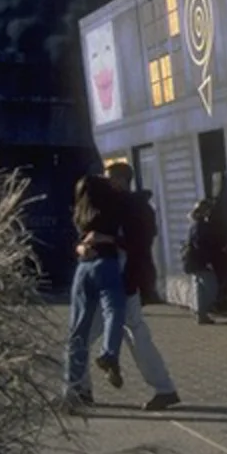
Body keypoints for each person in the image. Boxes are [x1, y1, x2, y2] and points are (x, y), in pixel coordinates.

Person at [80, 163, 181, 410]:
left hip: (123, 280)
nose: (107, 184)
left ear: (120, 180)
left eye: (109, 179)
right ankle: (164, 388)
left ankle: (79, 388)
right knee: (136, 334)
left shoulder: (137, 208)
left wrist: (106, 240)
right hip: (119, 281)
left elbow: (140, 243)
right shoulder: (120, 206)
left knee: (85, 335)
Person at [61, 169, 129, 410]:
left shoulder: (81, 212)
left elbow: (80, 242)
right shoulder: (113, 207)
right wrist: (106, 240)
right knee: (114, 310)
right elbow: (127, 238)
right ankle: (109, 352)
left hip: (83, 268)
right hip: (106, 264)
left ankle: (73, 389)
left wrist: (81, 248)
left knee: (77, 331)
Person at [184, 198, 223, 325]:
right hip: (200, 261)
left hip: (193, 261)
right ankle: (201, 312)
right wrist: (208, 261)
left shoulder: (194, 224)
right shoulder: (200, 226)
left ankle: (200, 313)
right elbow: (200, 244)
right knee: (211, 287)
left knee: (199, 288)